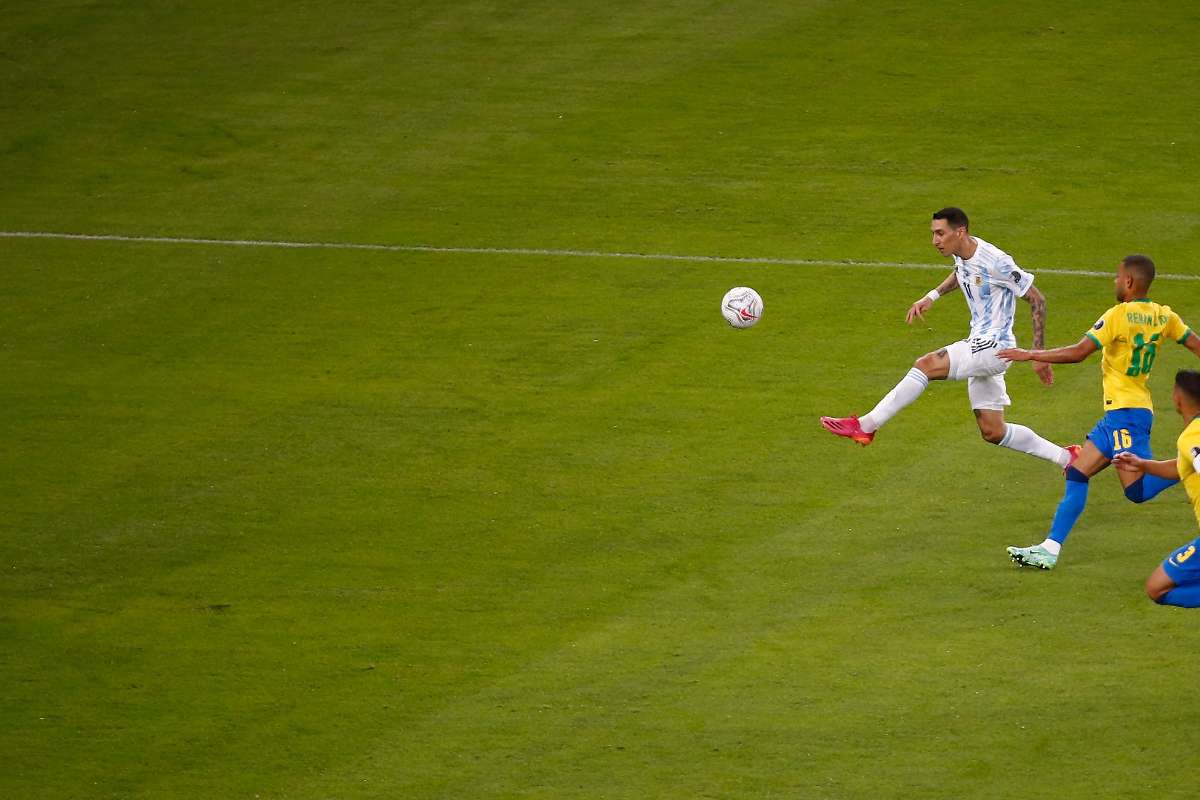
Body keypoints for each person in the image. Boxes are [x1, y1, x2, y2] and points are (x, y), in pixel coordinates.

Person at [821, 207, 1074, 470]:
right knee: (993, 430)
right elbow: (961, 273)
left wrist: (1038, 355)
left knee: (926, 364)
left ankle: (866, 425)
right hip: (982, 343)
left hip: (994, 346)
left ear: (960, 231)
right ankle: (1068, 458)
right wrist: (932, 296)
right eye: (933, 234)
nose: (935, 241)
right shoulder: (964, 253)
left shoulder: (996, 261)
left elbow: (1037, 298)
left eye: (940, 234)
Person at [1000, 255, 1200, 569]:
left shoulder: (1118, 315)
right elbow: (1196, 344)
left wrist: (1031, 354)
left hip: (1126, 415)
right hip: (1123, 414)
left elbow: (1079, 352)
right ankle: (1049, 549)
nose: (1115, 282)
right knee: (1077, 471)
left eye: (1118, 277)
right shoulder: (1165, 316)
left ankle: (1189, 463)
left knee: (1137, 490)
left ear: (1130, 282)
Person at [1112, 370, 1200, 607]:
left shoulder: (1192, 435)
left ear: (1178, 398)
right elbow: (1181, 467)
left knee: (1157, 588)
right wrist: (1143, 465)